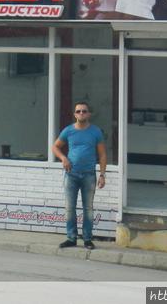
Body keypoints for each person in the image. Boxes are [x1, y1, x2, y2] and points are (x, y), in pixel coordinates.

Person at [51, 101, 107, 249]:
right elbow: (55, 147)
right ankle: (71, 238)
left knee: (88, 208)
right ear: (74, 114)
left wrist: (102, 174)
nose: (81, 113)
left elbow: (102, 155)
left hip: (89, 175)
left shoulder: (95, 131)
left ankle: (87, 239)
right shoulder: (68, 131)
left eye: (84, 111)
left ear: (89, 114)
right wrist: (63, 158)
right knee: (70, 208)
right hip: (71, 174)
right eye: (78, 111)